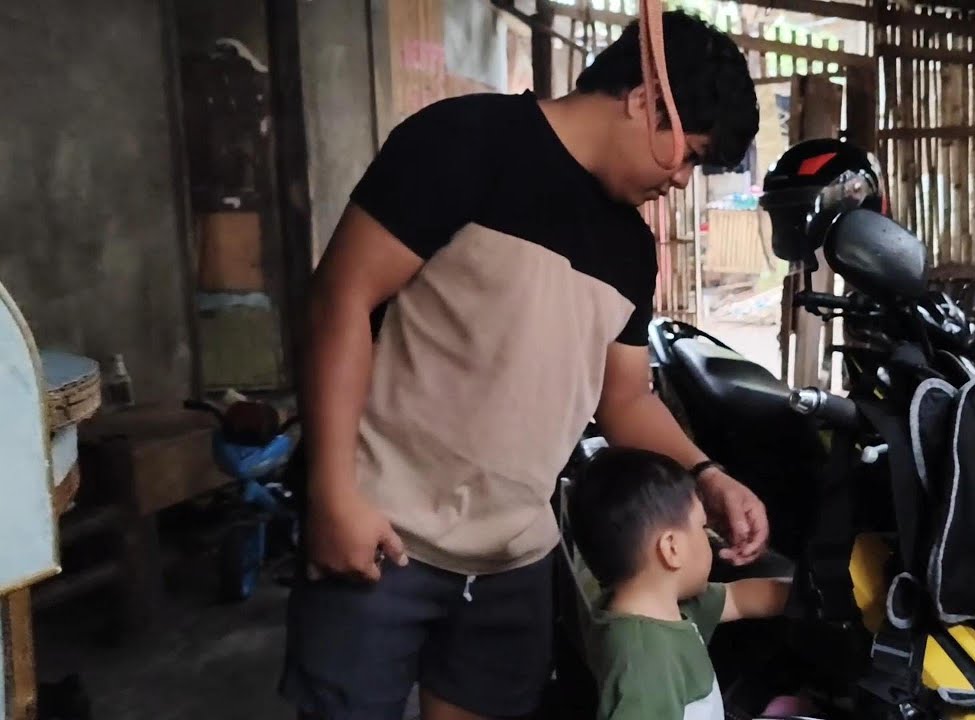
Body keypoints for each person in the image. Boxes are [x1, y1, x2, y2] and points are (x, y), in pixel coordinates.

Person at [279, 9, 766, 720]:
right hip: (382, 531)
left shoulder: (631, 249)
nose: (683, 181)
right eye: (688, 155)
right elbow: (340, 299)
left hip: (514, 560)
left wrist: (707, 475)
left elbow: (624, 399)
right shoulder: (466, 143)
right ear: (645, 101)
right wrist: (332, 493)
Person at [567, 447, 802, 720]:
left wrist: (813, 593)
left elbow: (739, 599)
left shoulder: (659, 607)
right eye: (703, 527)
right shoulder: (645, 666)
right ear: (672, 548)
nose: (710, 537)